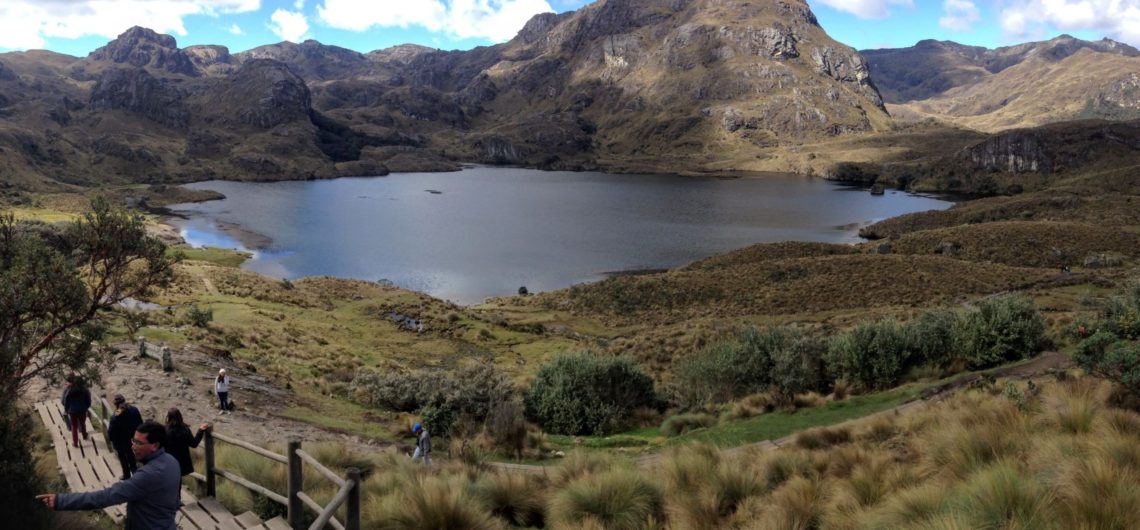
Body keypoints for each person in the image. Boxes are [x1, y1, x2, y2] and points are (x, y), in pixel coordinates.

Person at [37, 420, 182, 530]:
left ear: (155, 445)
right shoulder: (172, 462)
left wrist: (61, 501)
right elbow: (175, 499)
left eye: (138, 442)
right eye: (133, 440)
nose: (132, 446)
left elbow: (106, 497)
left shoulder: (148, 476)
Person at [108, 395, 144, 480]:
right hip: (133, 438)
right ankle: (135, 475)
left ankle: (126, 474)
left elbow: (111, 431)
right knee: (131, 456)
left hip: (120, 441)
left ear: (116, 404)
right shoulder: (134, 410)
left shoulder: (115, 417)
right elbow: (140, 423)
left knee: (122, 457)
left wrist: (112, 440)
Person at [164, 408, 208, 477]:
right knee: (177, 483)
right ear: (180, 417)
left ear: (168, 418)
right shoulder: (185, 430)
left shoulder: (164, 430)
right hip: (181, 465)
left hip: (167, 463)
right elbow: (194, 444)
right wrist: (200, 430)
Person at [61, 375, 92, 448]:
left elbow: (65, 401)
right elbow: (88, 400)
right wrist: (86, 407)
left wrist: (66, 409)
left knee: (74, 426)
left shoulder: (69, 390)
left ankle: (75, 443)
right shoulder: (85, 390)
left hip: (72, 411)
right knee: (83, 423)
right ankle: (84, 435)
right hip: (82, 410)